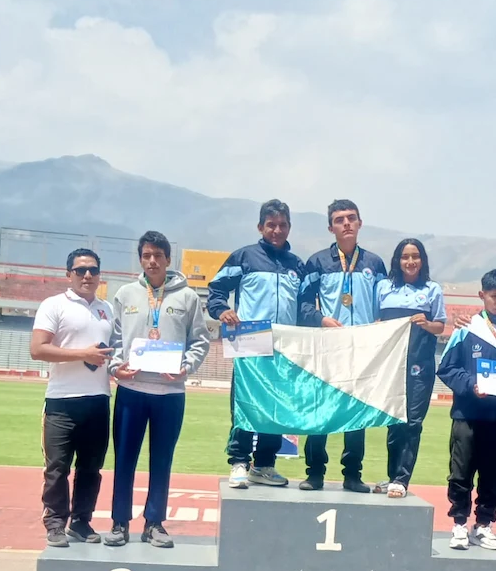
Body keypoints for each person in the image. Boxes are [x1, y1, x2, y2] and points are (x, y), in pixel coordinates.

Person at [105, 231, 210, 549]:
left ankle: (154, 523)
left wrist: (186, 366)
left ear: (168, 259)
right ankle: (119, 523)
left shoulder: (188, 297)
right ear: (141, 258)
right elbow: (113, 339)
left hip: (170, 392)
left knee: (162, 459)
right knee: (124, 459)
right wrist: (115, 367)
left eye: (158, 256)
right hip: (131, 389)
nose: (152, 261)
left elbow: (201, 340)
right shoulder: (125, 294)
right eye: (146, 255)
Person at [207, 200, 304, 489]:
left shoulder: (296, 264)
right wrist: (221, 310)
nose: (277, 230)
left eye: (282, 225)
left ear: (289, 227)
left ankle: (264, 464)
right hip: (250, 340)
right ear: (260, 227)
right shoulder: (244, 257)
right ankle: (239, 461)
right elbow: (216, 289)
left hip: (284, 345)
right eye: (271, 225)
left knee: (275, 406)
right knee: (246, 403)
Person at [298, 199, 387, 492]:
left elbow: (384, 305)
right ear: (330, 227)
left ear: (360, 223)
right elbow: (303, 305)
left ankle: (352, 475)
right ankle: (315, 473)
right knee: (320, 411)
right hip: (327, 347)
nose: (346, 223)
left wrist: (378, 324)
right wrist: (322, 319)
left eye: (351, 218)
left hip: (361, 350)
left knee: (355, 415)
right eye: (340, 219)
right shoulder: (317, 262)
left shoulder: (374, 263)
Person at [437, 270, 496, 551]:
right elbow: (447, 368)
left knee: (494, 475)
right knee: (461, 472)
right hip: (468, 415)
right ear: (482, 296)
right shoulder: (466, 329)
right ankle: (459, 524)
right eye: (494, 296)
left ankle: (484, 524)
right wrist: (471, 385)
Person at [31, 249, 113, 548]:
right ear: (69, 275)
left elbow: (111, 351)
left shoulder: (107, 309)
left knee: (91, 468)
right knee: (57, 469)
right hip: (62, 402)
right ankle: (54, 523)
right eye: (80, 271)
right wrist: (83, 354)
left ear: (99, 275)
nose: (87, 275)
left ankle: (81, 521)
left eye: (93, 270)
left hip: (99, 400)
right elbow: (38, 349)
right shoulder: (54, 305)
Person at [372, 239, 446, 497]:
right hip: (392, 366)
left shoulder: (432, 289)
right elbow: (376, 322)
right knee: (393, 422)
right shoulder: (383, 288)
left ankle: (402, 480)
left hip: (420, 366)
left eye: (415, 256)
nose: (411, 261)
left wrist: (426, 323)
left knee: (413, 423)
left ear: (422, 260)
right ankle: (392, 475)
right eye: (405, 256)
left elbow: (440, 327)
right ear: (398, 260)